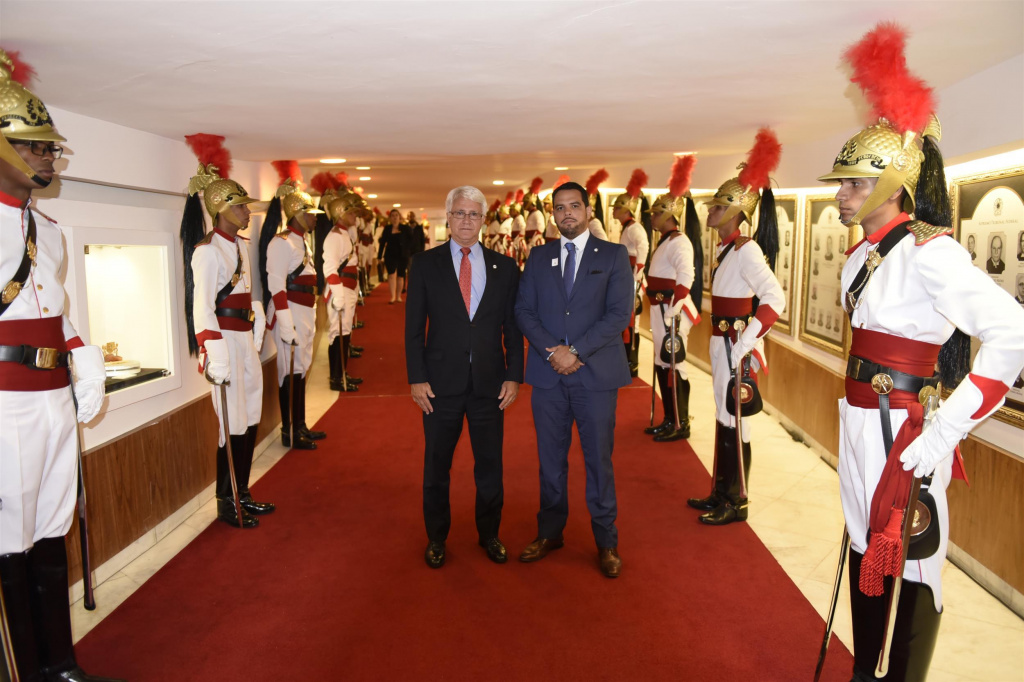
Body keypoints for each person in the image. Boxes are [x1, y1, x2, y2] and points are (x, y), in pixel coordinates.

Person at [818, 24, 1024, 681]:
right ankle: (866, 668)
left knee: (914, 552)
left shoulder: (931, 251)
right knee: (863, 540)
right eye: (843, 184)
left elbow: (1011, 333)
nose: (841, 195)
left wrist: (945, 431)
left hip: (904, 427)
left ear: (890, 185)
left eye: (853, 184)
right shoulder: (862, 257)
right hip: (859, 418)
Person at [0, 47, 124, 682]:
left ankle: (58, 664)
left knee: (52, 527)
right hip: (6, 404)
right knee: (10, 537)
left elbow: (58, 313)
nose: (49, 158)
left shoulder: (46, 229)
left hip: (52, 397)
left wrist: (85, 361)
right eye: (36, 147)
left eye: (51, 148)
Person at [514, 181, 633, 578]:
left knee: (599, 461)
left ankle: (606, 541)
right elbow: (524, 311)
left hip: (595, 377)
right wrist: (553, 352)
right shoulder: (539, 256)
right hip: (549, 376)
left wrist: (576, 351)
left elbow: (619, 315)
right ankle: (550, 532)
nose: (567, 213)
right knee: (550, 461)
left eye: (574, 206)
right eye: (560, 207)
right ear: (553, 214)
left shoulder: (613, 255)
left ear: (588, 210)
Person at [405, 186, 523, 569]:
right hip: (439, 386)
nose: (466, 221)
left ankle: (489, 534)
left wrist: (514, 375)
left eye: (473, 214)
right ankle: (436, 537)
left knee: (490, 466)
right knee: (436, 467)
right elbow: (413, 328)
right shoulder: (425, 264)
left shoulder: (505, 268)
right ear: (448, 217)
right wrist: (416, 377)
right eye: (459, 213)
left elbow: (512, 328)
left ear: (483, 220)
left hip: (491, 386)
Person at [686, 128, 785, 526]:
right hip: (721, 340)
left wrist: (747, 341)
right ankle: (720, 490)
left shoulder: (747, 251)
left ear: (732, 211)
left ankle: (737, 500)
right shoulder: (727, 250)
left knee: (736, 419)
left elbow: (774, 298)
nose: (710, 213)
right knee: (723, 416)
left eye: (716, 207)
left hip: (735, 344)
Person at [181, 135, 273, 531]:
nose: (247, 211)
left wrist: (258, 319)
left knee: (250, 415)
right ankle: (227, 500)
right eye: (240, 206)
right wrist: (212, 352)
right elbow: (202, 306)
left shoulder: (239, 246)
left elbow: (248, 293)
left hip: (244, 340)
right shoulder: (207, 251)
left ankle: (244, 491)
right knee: (231, 422)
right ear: (221, 208)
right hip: (223, 343)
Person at [261, 173, 327, 450]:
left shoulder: (302, 241)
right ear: (298, 214)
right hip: (289, 312)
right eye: (311, 214)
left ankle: (300, 425)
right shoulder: (281, 242)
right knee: (289, 372)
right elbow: (276, 286)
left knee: (300, 368)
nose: (315, 219)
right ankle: (289, 430)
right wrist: (286, 324)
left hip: (305, 311)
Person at [644, 156, 703, 442]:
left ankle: (681, 423)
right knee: (661, 362)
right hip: (661, 309)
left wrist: (673, 312)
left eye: (655, 214)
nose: (652, 218)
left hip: (673, 312)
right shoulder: (665, 242)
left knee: (674, 364)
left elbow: (686, 278)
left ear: (668, 215)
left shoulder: (680, 242)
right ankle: (669, 418)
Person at [323, 192, 364, 392]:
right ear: (340, 214)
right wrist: (338, 295)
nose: (354, 216)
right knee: (338, 334)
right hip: (340, 289)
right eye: (351, 213)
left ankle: (342, 373)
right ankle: (336, 378)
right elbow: (330, 268)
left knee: (345, 332)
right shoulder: (334, 237)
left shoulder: (344, 234)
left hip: (349, 287)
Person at [612, 168, 650, 376]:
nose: (614, 211)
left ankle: (631, 362)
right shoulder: (627, 228)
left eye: (617, 208)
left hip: (633, 279)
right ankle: (625, 359)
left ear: (626, 209)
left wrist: (637, 277)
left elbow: (643, 248)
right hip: (626, 278)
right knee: (625, 321)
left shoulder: (635, 228)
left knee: (632, 322)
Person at [378, 208, 410, 303]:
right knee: (391, 275)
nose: (395, 217)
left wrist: (409, 251)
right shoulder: (387, 229)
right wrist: (379, 256)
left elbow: (411, 241)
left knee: (400, 275)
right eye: (392, 216)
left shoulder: (405, 228)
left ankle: (398, 296)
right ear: (390, 218)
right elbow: (382, 243)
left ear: (399, 217)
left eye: (396, 215)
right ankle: (392, 296)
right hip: (390, 255)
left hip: (402, 255)